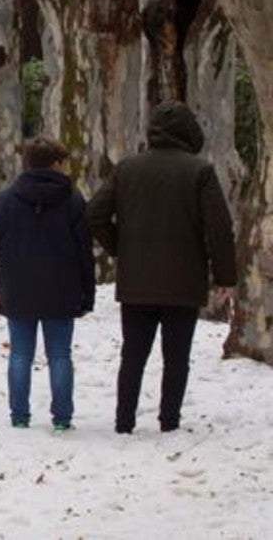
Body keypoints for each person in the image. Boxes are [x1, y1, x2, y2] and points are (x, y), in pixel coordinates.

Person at [88, 101, 237, 435]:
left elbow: (95, 214)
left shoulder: (127, 169)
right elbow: (219, 227)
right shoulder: (200, 171)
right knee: (177, 357)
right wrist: (224, 276)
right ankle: (169, 421)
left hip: (137, 280)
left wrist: (120, 249)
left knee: (133, 355)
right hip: (184, 281)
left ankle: (123, 422)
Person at [0, 137, 95, 430]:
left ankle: (19, 414)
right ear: (57, 163)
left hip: (18, 285)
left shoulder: (7, 199)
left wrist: (13, 257)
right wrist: (88, 293)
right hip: (62, 287)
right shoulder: (73, 200)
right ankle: (62, 416)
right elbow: (85, 250)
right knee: (60, 354)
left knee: (20, 353)